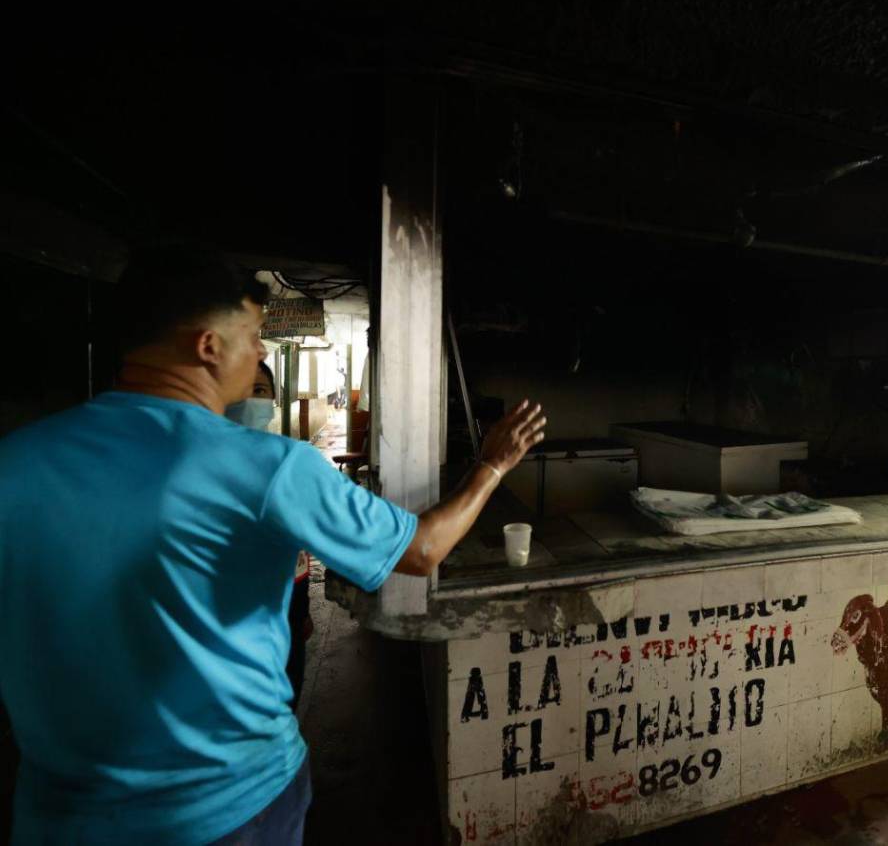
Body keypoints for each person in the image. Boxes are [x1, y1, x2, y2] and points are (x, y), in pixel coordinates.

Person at [0, 251, 546, 845]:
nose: (262, 352)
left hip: (59, 818)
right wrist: (493, 463)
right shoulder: (268, 466)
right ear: (208, 346)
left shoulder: (18, 460)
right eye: (254, 336)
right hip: (229, 805)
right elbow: (420, 550)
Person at [226, 360, 313, 711]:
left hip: (286, 617)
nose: (250, 400)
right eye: (239, 390)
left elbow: (298, 552)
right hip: (232, 625)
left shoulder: (288, 466)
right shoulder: (196, 464)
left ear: (273, 400)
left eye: (260, 391)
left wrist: (303, 610)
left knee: (287, 702)